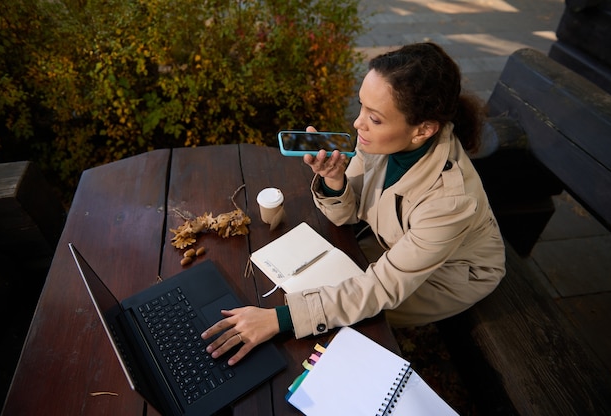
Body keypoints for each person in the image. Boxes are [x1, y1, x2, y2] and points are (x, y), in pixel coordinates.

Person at [201, 42, 506, 365]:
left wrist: (279, 320)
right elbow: (347, 214)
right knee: (305, 292)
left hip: (450, 275)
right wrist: (335, 180)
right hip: (398, 248)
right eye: (361, 106)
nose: (358, 124)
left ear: (423, 130)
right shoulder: (383, 141)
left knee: (341, 317)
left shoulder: (450, 201)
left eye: (374, 118)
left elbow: (380, 289)